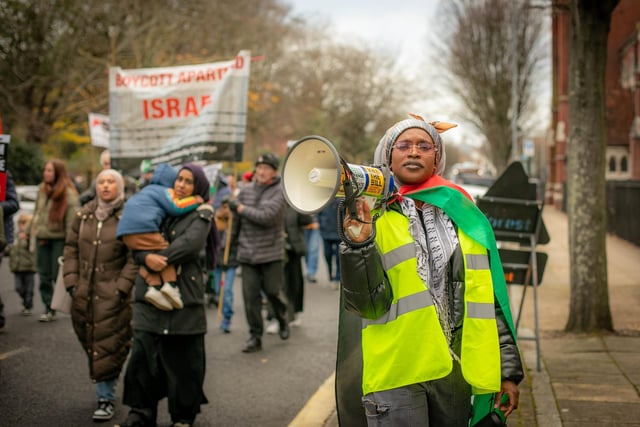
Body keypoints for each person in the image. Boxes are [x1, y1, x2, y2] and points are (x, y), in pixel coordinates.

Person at [335, 115, 523, 427]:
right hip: (397, 371)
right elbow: (366, 304)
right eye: (404, 145)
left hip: (454, 372)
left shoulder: (463, 213)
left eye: (424, 146)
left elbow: (488, 298)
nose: (413, 152)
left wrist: (507, 371)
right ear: (388, 156)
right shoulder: (370, 213)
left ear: (436, 157)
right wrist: (359, 244)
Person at [117, 163, 214, 427]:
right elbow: (136, 239)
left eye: (188, 181)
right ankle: (141, 410)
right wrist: (144, 256)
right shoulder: (159, 206)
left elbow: (190, 245)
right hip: (149, 294)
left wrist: (158, 257)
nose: (181, 185)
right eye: (179, 180)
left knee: (185, 361)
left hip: (185, 295)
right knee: (143, 354)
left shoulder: (202, 212)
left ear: (199, 187)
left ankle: (183, 416)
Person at [62, 169, 137, 421]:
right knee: (91, 339)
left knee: (109, 343)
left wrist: (122, 287)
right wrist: (71, 282)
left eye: (111, 182)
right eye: (101, 182)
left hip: (112, 292)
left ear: (119, 186)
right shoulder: (84, 215)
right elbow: (71, 248)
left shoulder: (128, 216)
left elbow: (133, 257)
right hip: (83, 291)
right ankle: (107, 384)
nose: (105, 186)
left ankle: (105, 397)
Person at [116, 163, 203, 311]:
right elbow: (177, 207)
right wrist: (195, 201)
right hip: (144, 229)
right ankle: (171, 286)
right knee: (163, 251)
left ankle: (154, 287)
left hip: (125, 233)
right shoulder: (164, 191)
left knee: (151, 255)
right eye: (178, 180)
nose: (179, 186)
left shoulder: (145, 191)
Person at [228, 153, 289, 353]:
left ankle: (281, 318)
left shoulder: (280, 192)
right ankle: (255, 336)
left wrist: (241, 209)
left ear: (273, 172)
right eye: (259, 168)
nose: (261, 172)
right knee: (250, 298)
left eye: (266, 168)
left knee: (273, 292)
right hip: (247, 254)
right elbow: (235, 224)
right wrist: (229, 249)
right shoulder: (244, 192)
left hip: (271, 253)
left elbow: (267, 216)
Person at [28, 159, 79, 322]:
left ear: (57, 173)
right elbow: (37, 212)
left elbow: (71, 222)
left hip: (58, 239)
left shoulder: (68, 193)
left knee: (57, 275)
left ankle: (62, 305)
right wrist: (29, 231)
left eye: (49, 170)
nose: (46, 173)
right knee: (43, 275)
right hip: (42, 237)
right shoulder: (41, 190)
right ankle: (48, 307)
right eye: (45, 170)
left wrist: (71, 244)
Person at [212, 200, 238, 333]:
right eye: (224, 207)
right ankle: (223, 314)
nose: (226, 210)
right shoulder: (215, 223)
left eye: (229, 207)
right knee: (219, 290)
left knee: (226, 290)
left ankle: (227, 317)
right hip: (218, 263)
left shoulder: (235, 223)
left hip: (231, 262)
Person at [5, 213, 37, 316]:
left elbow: (33, 249)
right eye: (21, 223)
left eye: (25, 223)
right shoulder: (15, 237)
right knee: (18, 287)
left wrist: (28, 238)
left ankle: (28, 306)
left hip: (29, 268)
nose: (23, 226)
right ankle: (24, 301)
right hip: (17, 268)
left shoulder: (31, 238)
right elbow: (10, 249)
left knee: (29, 289)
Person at [318, 197, 342, 285]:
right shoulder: (325, 199)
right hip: (326, 232)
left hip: (338, 233)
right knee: (327, 255)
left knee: (338, 257)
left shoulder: (341, 199)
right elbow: (318, 213)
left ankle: (338, 277)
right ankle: (330, 273)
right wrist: (319, 222)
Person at [302, 216, 321, 283]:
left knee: (313, 250)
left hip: (315, 225)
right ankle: (308, 269)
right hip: (303, 225)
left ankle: (311, 273)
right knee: (306, 250)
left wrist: (318, 221)